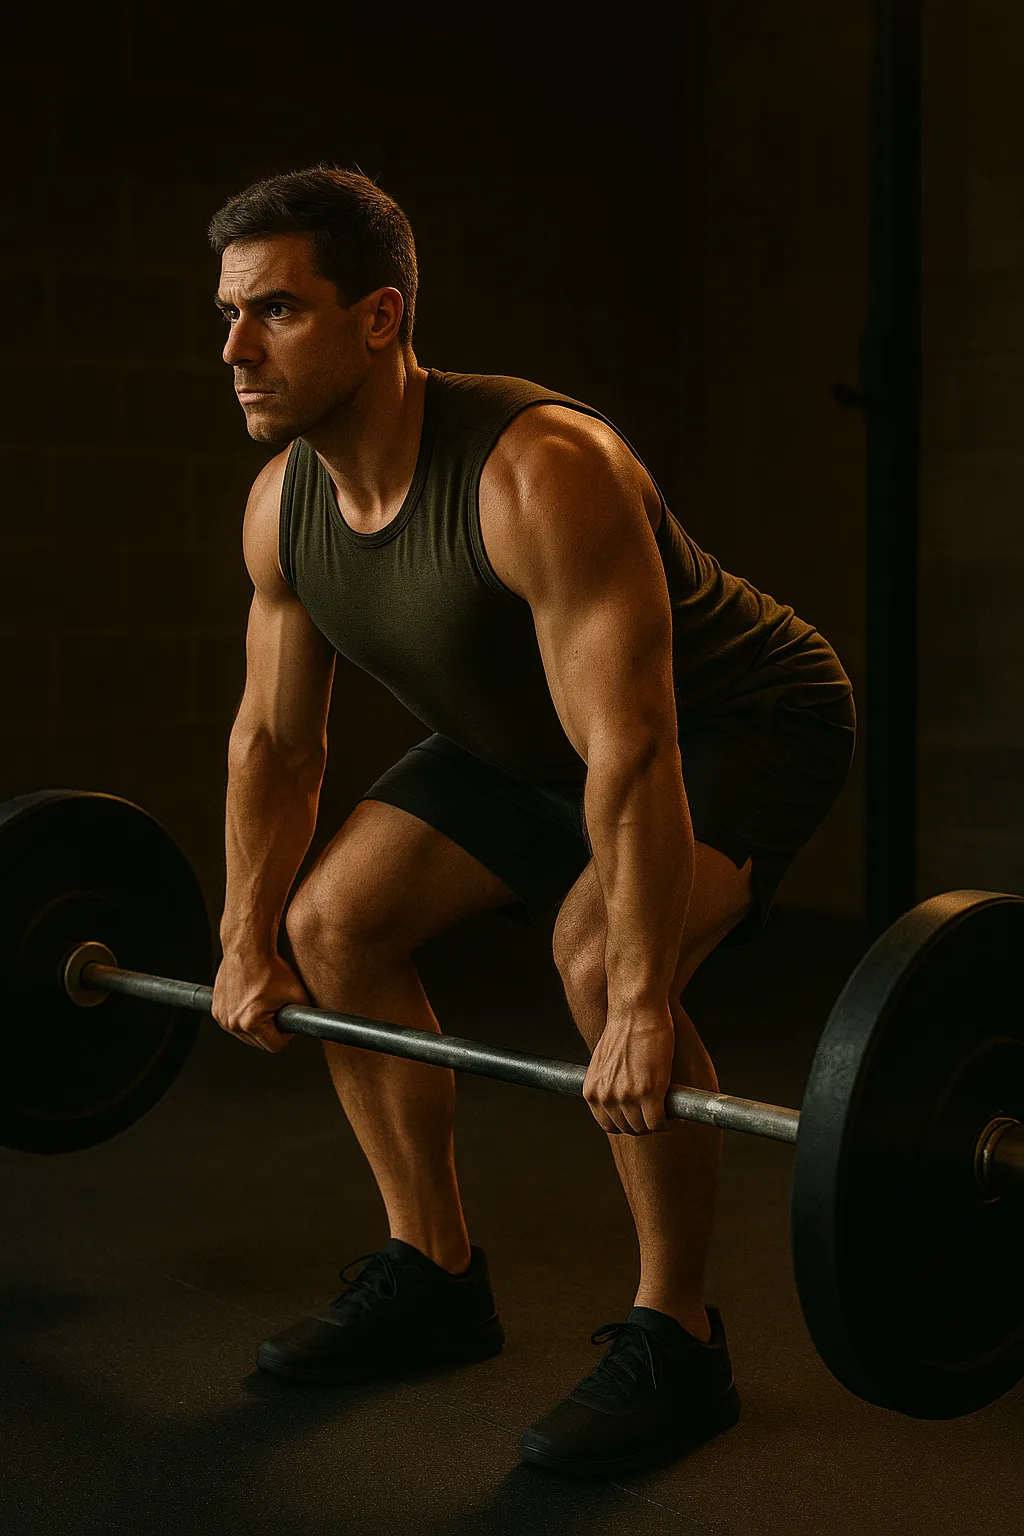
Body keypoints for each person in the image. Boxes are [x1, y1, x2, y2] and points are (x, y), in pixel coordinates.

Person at [207, 165, 856, 1479]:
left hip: (739, 720)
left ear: (379, 319)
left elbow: (635, 741)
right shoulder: (285, 507)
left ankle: (678, 1337)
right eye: (225, 313)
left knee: (596, 957)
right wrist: (241, 934)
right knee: (331, 926)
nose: (232, 349)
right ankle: (434, 1271)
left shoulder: (542, 470)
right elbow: (276, 741)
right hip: (532, 738)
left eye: (273, 310)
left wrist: (634, 1000)